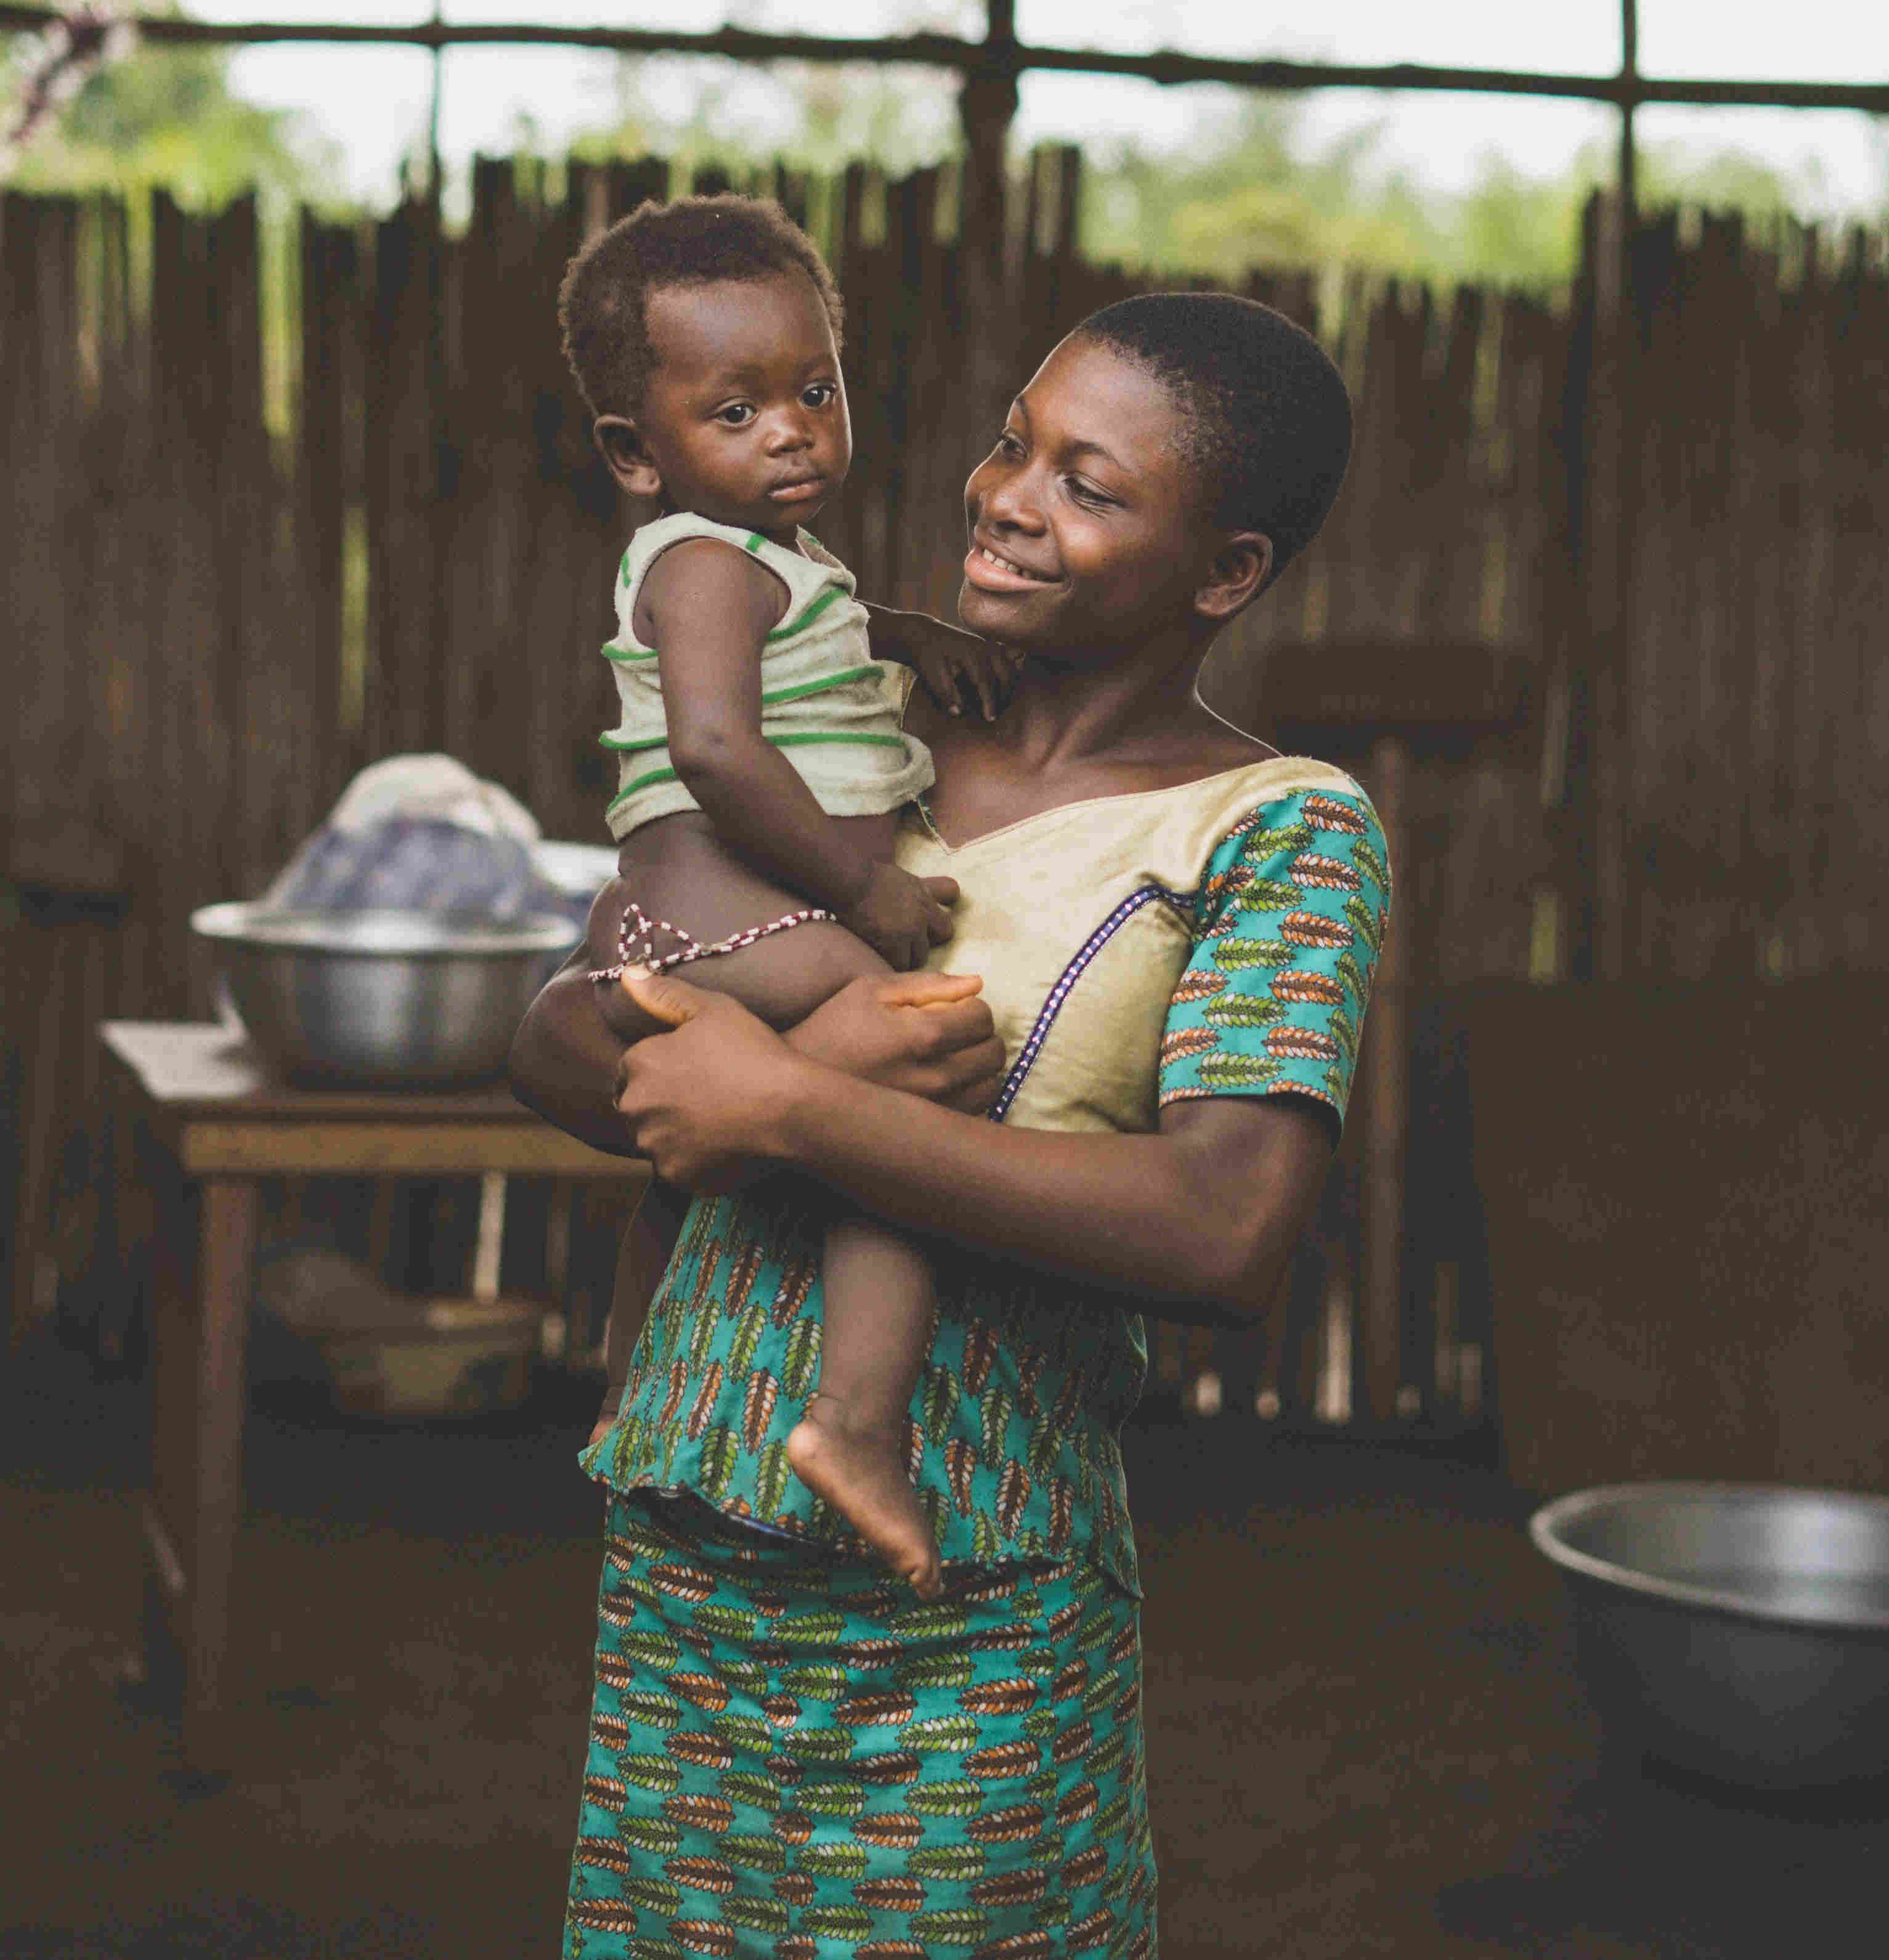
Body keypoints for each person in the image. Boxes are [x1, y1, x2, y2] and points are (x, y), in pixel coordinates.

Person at [510, 290, 1389, 1958]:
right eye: (1010, 440)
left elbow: (1224, 1229)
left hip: (972, 1569)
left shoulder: (1274, 830)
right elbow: (564, 1025)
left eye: (1089, 483)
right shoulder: (849, 736)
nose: (1004, 492)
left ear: (1223, 571)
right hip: (687, 1515)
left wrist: (784, 1098)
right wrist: (676, 1033)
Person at [555, 193, 1019, 1600]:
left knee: (697, 1159)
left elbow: (804, 642)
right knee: (901, 1102)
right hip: (744, 926)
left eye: (814, 390)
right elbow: (713, 746)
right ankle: (860, 1428)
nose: (794, 431)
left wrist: (903, 634)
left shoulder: (771, 564)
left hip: (701, 937)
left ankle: (635, 1387)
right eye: (736, 411)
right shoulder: (702, 564)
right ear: (639, 454)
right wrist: (862, 889)